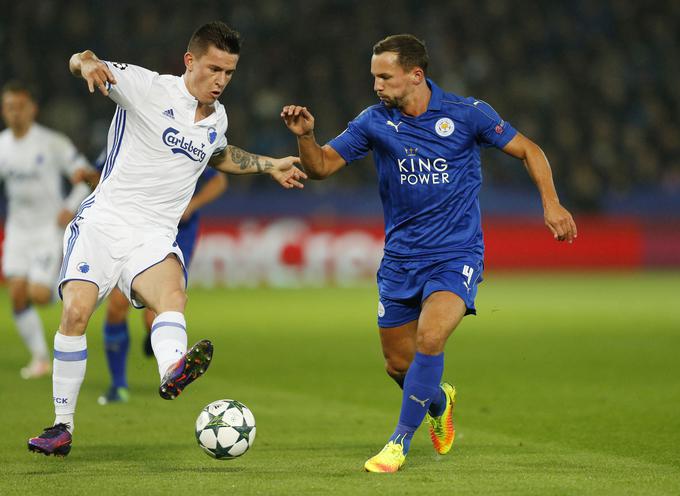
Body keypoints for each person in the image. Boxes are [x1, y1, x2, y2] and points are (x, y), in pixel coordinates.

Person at [281, 34, 577, 473]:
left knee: (431, 338)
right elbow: (321, 167)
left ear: (415, 75)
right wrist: (306, 137)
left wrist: (551, 203)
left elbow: (529, 150)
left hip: (456, 253)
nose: (377, 85)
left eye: (385, 77)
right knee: (398, 365)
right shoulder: (372, 122)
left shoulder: (467, 114)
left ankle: (397, 443)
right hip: (401, 259)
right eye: (374, 77)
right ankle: (439, 401)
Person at [28, 21, 306, 457]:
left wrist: (270, 165)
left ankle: (172, 369)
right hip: (104, 221)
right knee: (77, 313)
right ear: (189, 61)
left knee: (172, 296)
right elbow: (81, 57)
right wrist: (87, 65)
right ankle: (62, 426)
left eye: (229, 73)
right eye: (214, 69)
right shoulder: (146, 87)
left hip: (154, 232)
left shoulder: (218, 117)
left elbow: (219, 154)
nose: (221, 81)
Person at [95, 164, 228, 405]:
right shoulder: (125, 139)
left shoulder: (185, 140)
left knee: (155, 312)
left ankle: (162, 350)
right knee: (116, 307)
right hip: (134, 231)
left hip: (177, 233)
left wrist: (193, 205)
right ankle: (119, 385)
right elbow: (100, 178)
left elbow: (218, 180)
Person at [0, 81, 92, 380]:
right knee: (16, 295)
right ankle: (40, 357)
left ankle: (61, 286)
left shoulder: (53, 142)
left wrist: (70, 205)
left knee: (37, 294)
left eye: (20, 106)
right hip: (17, 231)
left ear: (32, 109)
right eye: (9, 107)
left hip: (46, 231)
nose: (14, 113)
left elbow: (85, 176)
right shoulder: (2, 145)